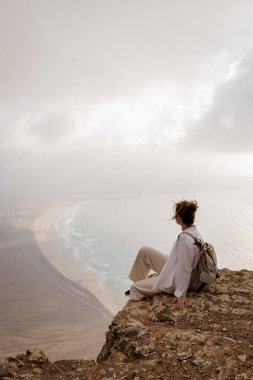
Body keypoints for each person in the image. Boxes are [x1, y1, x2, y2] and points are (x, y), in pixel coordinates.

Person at [127, 200, 202, 309]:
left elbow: (184, 268)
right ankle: (143, 282)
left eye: (176, 215)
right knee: (144, 251)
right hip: (174, 267)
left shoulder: (185, 240)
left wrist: (181, 293)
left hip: (176, 279)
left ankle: (141, 287)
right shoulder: (193, 231)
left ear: (179, 218)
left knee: (135, 287)